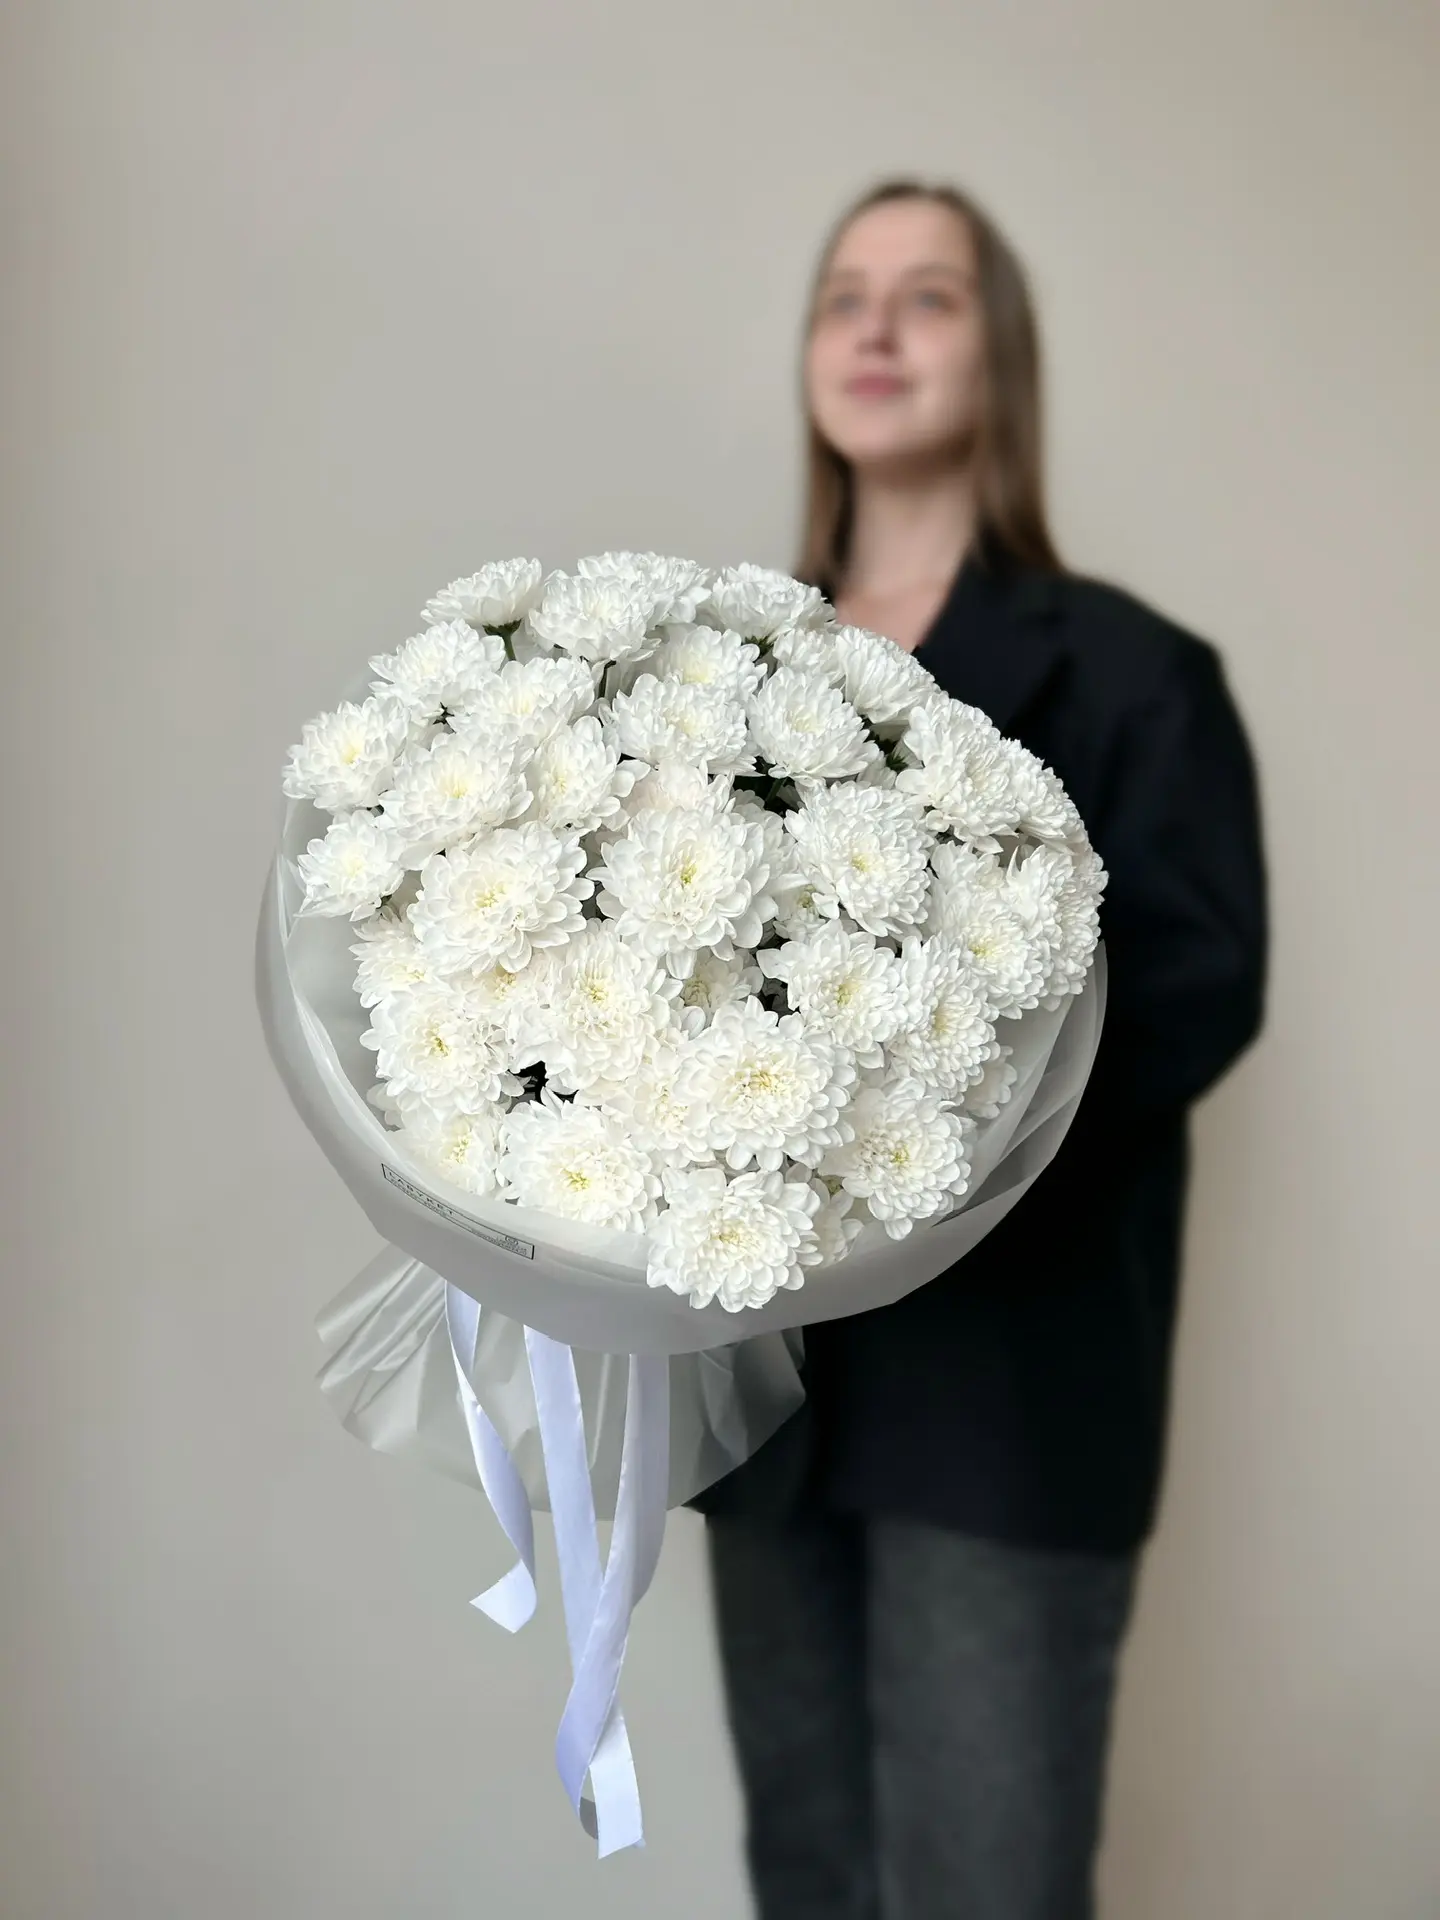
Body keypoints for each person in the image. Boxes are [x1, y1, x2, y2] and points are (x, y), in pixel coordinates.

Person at [692, 179, 1268, 1920]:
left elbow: (1196, 988)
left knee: (985, 1889)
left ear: (1001, 354)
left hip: (1009, 1392)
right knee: (810, 1875)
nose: (876, 328)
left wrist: (901, 1104)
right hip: (768, 1397)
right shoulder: (714, 675)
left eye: (928, 296)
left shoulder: (1136, 671)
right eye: (843, 296)